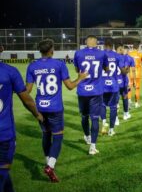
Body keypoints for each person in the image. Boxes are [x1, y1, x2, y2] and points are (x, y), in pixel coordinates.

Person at [25, 39, 88, 182]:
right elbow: (70, 86)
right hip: (55, 108)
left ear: (40, 51)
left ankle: (48, 163)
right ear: (52, 50)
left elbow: (27, 90)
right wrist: (81, 78)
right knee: (58, 137)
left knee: (46, 135)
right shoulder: (59, 64)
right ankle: (50, 167)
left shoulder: (32, 66)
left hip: (40, 107)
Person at [0, 62, 43, 191]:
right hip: (4, 135)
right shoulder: (10, 71)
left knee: (3, 176)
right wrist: (37, 114)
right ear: (1, 48)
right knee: (1, 174)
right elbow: (26, 99)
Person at [74, 35, 109, 155]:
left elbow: (76, 70)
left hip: (83, 90)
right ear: (96, 43)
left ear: (86, 42)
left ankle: (87, 136)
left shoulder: (78, 53)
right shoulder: (102, 54)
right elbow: (106, 68)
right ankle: (92, 147)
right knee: (95, 118)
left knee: (84, 116)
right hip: (96, 90)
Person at [100, 38, 127, 136]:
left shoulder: (100, 54)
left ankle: (103, 123)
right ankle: (111, 130)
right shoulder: (117, 56)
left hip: (102, 85)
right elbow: (123, 71)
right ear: (112, 46)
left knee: (102, 105)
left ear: (104, 45)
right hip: (113, 85)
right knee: (113, 107)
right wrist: (126, 70)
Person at [116, 44, 135, 120]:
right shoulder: (128, 58)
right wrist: (132, 81)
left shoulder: (113, 57)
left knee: (116, 100)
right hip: (123, 81)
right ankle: (125, 114)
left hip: (115, 81)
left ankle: (116, 118)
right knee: (125, 97)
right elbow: (129, 70)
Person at [128, 43, 142, 108]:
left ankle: (129, 102)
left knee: (129, 88)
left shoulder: (129, 54)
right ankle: (136, 103)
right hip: (137, 74)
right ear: (138, 48)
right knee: (137, 89)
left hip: (130, 74)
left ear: (132, 47)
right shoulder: (140, 54)